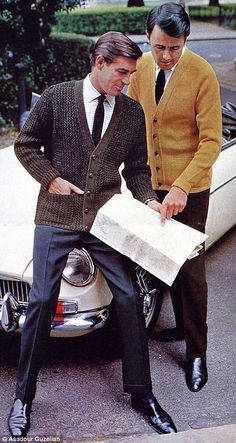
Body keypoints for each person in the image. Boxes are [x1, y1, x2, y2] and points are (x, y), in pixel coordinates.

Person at [8, 32, 177, 437]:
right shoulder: (57, 97)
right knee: (44, 298)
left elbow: (137, 169)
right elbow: (25, 146)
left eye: (132, 74)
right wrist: (51, 180)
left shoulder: (132, 113)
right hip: (56, 215)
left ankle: (142, 395)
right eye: (121, 72)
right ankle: (22, 398)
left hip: (104, 219)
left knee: (130, 296)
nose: (127, 80)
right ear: (98, 63)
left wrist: (149, 200)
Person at [127, 3, 222, 393]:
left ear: (185, 41)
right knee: (154, 261)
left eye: (175, 47)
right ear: (148, 37)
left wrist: (182, 186)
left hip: (191, 188)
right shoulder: (140, 68)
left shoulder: (202, 73)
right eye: (160, 46)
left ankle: (196, 353)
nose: (166, 55)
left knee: (191, 270)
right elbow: (130, 118)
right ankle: (178, 325)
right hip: (150, 183)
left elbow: (211, 141)